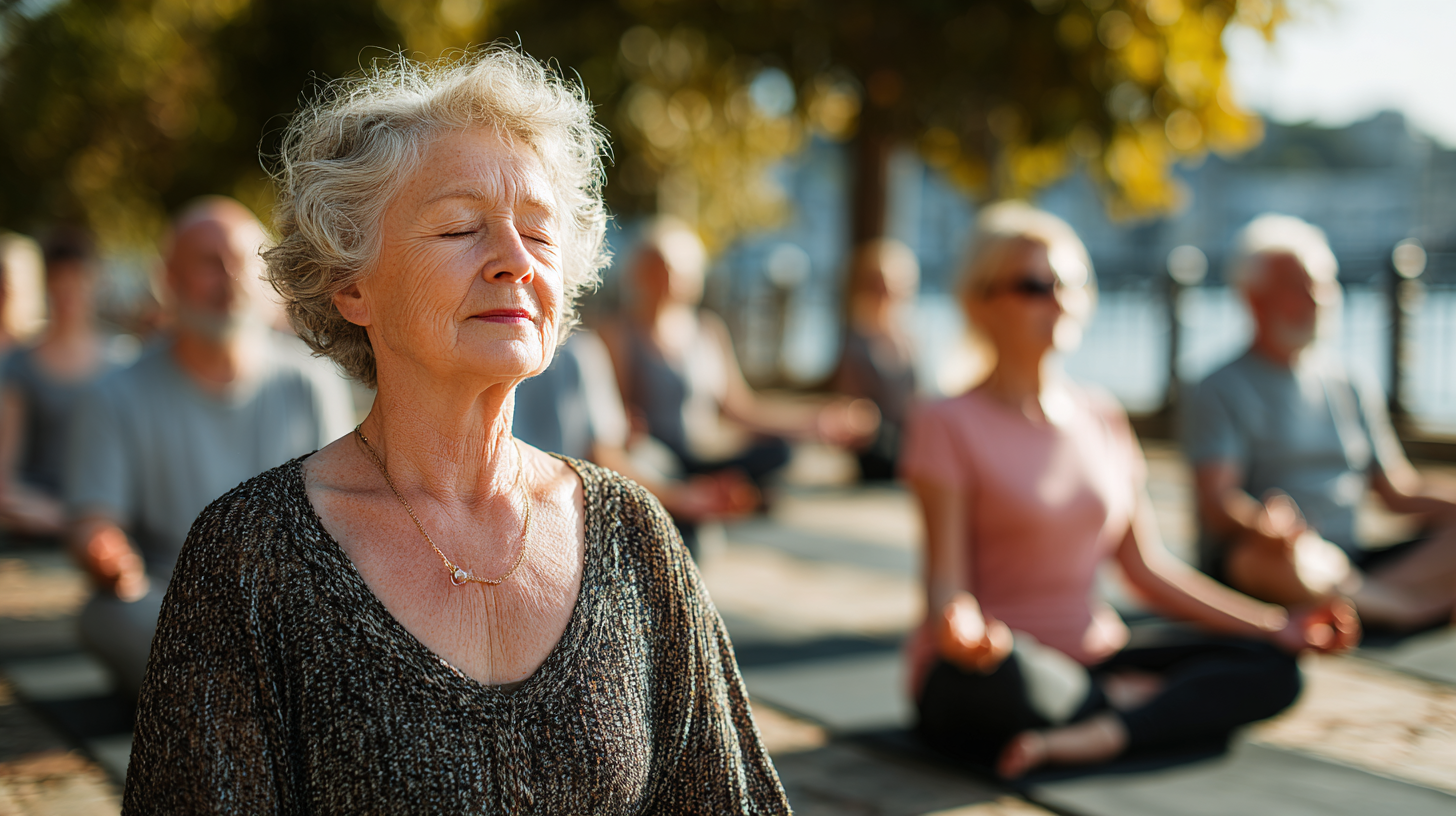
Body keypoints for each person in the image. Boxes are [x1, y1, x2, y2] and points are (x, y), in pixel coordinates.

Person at [124, 48, 791, 813]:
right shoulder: (250, 557)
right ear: (352, 285)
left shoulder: (633, 534)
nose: (515, 261)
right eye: (460, 228)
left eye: (539, 234)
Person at [901, 202, 1357, 779]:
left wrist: (1276, 625)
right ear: (981, 301)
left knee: (1273, 667)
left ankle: (1094, 730)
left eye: (1070, 282)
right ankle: (1129, 710)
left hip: (1095, 657)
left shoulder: (1102, 416)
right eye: (1034, 286)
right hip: (995, 665)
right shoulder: (945, 420)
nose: (1059, 299)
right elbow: (945, 586)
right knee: (1001, 683)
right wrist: (962, 630)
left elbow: (1147, 568)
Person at [64, 197, 355, 701]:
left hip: (288, 604)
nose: (230, 279)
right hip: (170, 606)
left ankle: (219, 700)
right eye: (208, 263)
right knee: (108, 616)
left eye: (241, 262)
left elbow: (351, 514)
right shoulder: (113, 395)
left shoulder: (313, 381)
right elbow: (94, 524)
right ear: (168, 279)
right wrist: (106, 554)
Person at [1185, 214, 1456, 629]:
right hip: (1276, 556)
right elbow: (1218, 503)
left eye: (1323, 285)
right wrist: (1266, 525)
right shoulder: (1219, 387)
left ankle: (1370, 603)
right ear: (1253, 299)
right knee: (1266, 560)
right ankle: (1406, 607)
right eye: (1299, 288)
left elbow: (1399, 492)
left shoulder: (1351, 381)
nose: (1318, 299)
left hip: (1349, 561)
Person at [603, 218, 876, 551]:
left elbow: (742, 409)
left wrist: (816, 422)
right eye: (660, 267)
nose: (669, 279)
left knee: (779, 452)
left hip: (702, 455)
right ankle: (699, 498)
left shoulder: (707, 331)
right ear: (641, 271)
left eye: (677, 269)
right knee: (651, 467)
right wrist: (624, 425)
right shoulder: (620, 334)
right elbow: (610, 416)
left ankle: (715, 492)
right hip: (655, 457)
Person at [0, 228, 114, 541]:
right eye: (59, 281)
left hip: (104, 529)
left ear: (94, 281)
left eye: (78, 280)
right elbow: (5, 481)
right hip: (35, 527)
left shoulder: (123, 363)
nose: (69, 292)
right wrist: (69, 522)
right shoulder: (19, 367)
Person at [834, 238, 921, 481]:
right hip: (876, 441)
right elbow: (850, 402)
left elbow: (920, 397)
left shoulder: (910, 340)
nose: (885, 292)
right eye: (879, 284)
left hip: (909, 432)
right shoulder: (856, 343)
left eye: (891, 284)